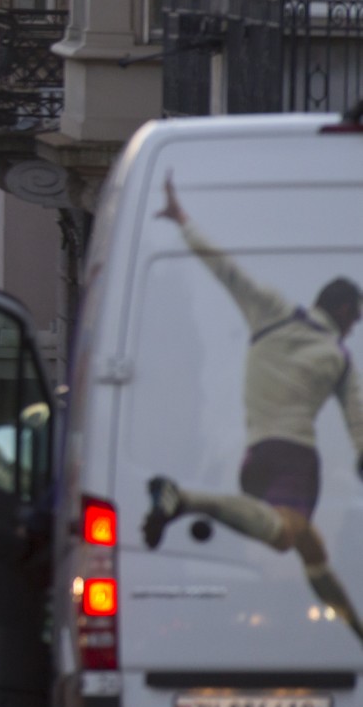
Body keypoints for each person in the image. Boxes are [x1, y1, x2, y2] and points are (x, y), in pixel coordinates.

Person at [144, 175, 363, 647]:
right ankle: (186, 499)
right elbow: (357, 418)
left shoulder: (272, 312)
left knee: (312, 551)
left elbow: (228, 271)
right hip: (296, 461)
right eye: (356, 315)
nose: (356, 324)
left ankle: (356, 630)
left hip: (253, 462)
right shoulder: (339, 358)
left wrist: (183, 222)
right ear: (343, 309)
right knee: (290, 536)